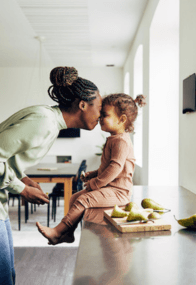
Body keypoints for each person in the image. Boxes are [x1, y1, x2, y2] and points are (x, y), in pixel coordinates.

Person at [0, 66, 101, 285]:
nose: (102, 115)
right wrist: (21, 189)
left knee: (6, 276)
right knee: (0, 281)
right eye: (100, 107)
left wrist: (23, 178)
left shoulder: (48, 120)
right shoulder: (43, 121)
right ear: (82, 105)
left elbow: (6, 157)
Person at [36, 93, 146, 245]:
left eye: (105, 115)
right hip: (110, 187)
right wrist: (91, 175)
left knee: (83, 200)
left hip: (119, 192)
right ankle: (68, 234)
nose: (100, 118)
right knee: (74, 198)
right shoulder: (114, 139)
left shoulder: (121, 142)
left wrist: (96, 183)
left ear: (122, 120)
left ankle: (57, 231)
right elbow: (108, 167)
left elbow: (115, 168)